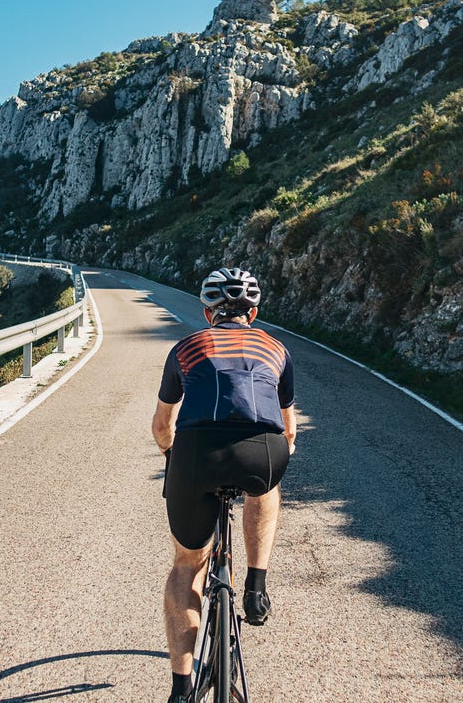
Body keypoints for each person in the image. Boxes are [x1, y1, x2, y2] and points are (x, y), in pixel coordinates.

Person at [152, 267, 296, 703]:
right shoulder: (277, 349)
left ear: (206, 312)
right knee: (266, 485)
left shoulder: (187, 348)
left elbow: (162, 425)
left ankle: (181, 687)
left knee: (186, 565)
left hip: (197, 454)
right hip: (262, 451)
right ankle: (256, 584)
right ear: (253, 312)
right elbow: (289, 432)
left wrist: (172, 459)